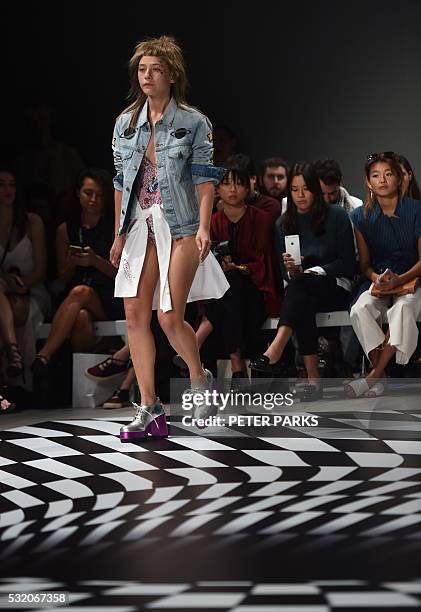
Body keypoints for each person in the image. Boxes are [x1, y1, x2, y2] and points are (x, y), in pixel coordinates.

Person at [110, 35, 229, 440]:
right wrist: (118, 234)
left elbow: (204, 178)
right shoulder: (126, 123)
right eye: (142, 69)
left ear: (172, 75)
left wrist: (204, 227)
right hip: (140, 223)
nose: (147, 76)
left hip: (179, 225)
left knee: (168, 316)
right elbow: (119, 182)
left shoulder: (194, 121)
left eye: (155, 69)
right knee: (134, 315)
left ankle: (200, 381)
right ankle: (150, 408)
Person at [250, 162, 356, 400]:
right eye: (295, 190)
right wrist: (293, 269)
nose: (300, 196)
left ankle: (278, 349)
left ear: (316, 190)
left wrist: (316, 269)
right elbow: (286, 275)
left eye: (305, 189)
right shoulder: (283, 223)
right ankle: (313, 381)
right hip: (303, 290)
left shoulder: (337, 216)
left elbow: (348, 264)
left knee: (300, 289)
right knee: (300, 293)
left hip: (334, 285)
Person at [31, 168, 123, 380]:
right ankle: (87, 376)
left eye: (99, 195)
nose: (94, 200)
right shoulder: (66, 229)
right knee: (81, 317)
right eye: (88, 193)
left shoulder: (113, 225)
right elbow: (62, 278)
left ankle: (44, 354)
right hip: (76, 299)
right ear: (78, 194)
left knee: (81, 292)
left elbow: (121, 274)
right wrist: (73, 262)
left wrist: (95, 261)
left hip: (109, 296)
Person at [346, 153, 421, 397]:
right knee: (361, 308)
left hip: (414, 277)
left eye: (388, 174)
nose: (382, 180)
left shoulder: (416, 210)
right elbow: (365, 264)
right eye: (376, 175)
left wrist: (401, 280)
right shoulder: (360, 216)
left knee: (403, 308)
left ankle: (374, 376)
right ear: (368, 182)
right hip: (381, 278)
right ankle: (382, 374)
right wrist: (377, 277)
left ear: (399, 179)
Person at [0, 165, 50, 391]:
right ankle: (13, 357)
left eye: (12, 185)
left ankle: (13, 358)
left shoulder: (32, 222)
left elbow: (41, 271)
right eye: (1, 185)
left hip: (31, 291)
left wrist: (18, 284)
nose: (7, 190)